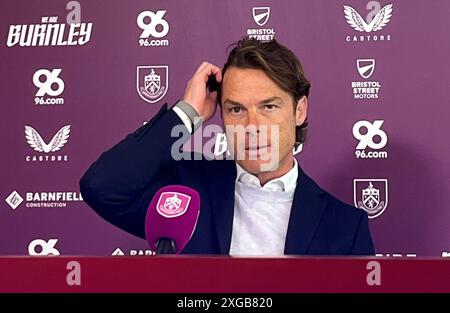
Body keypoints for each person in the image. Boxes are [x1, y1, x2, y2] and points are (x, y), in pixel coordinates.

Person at [79, 38, 375, 255]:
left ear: (299, 111)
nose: (252, 125)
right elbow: (102, 186)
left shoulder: (345, 226)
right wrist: (187, 113)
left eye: (269, 106)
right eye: (236, 110)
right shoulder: (185, 190)